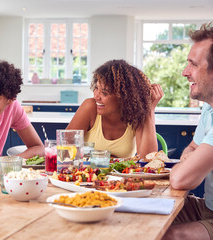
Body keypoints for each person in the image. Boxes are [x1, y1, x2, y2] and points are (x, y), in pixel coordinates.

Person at [163, 23, 213, 240]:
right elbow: (192, 148)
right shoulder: (209, 108)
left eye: (193, 64)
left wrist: (188, 164)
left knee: (168, 236)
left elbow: (181, 178)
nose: (185, 72)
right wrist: (193, 157)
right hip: (207, 207)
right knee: (135, 212)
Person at [66, 59, 163, 158]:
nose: (96, 96)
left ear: (123, 96)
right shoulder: (90, 107)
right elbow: (65, 150)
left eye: (104, 93)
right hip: (87, 173)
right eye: (96, 88)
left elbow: (147, 160)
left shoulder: (135, 116)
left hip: (121, 174)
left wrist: (149, 110)